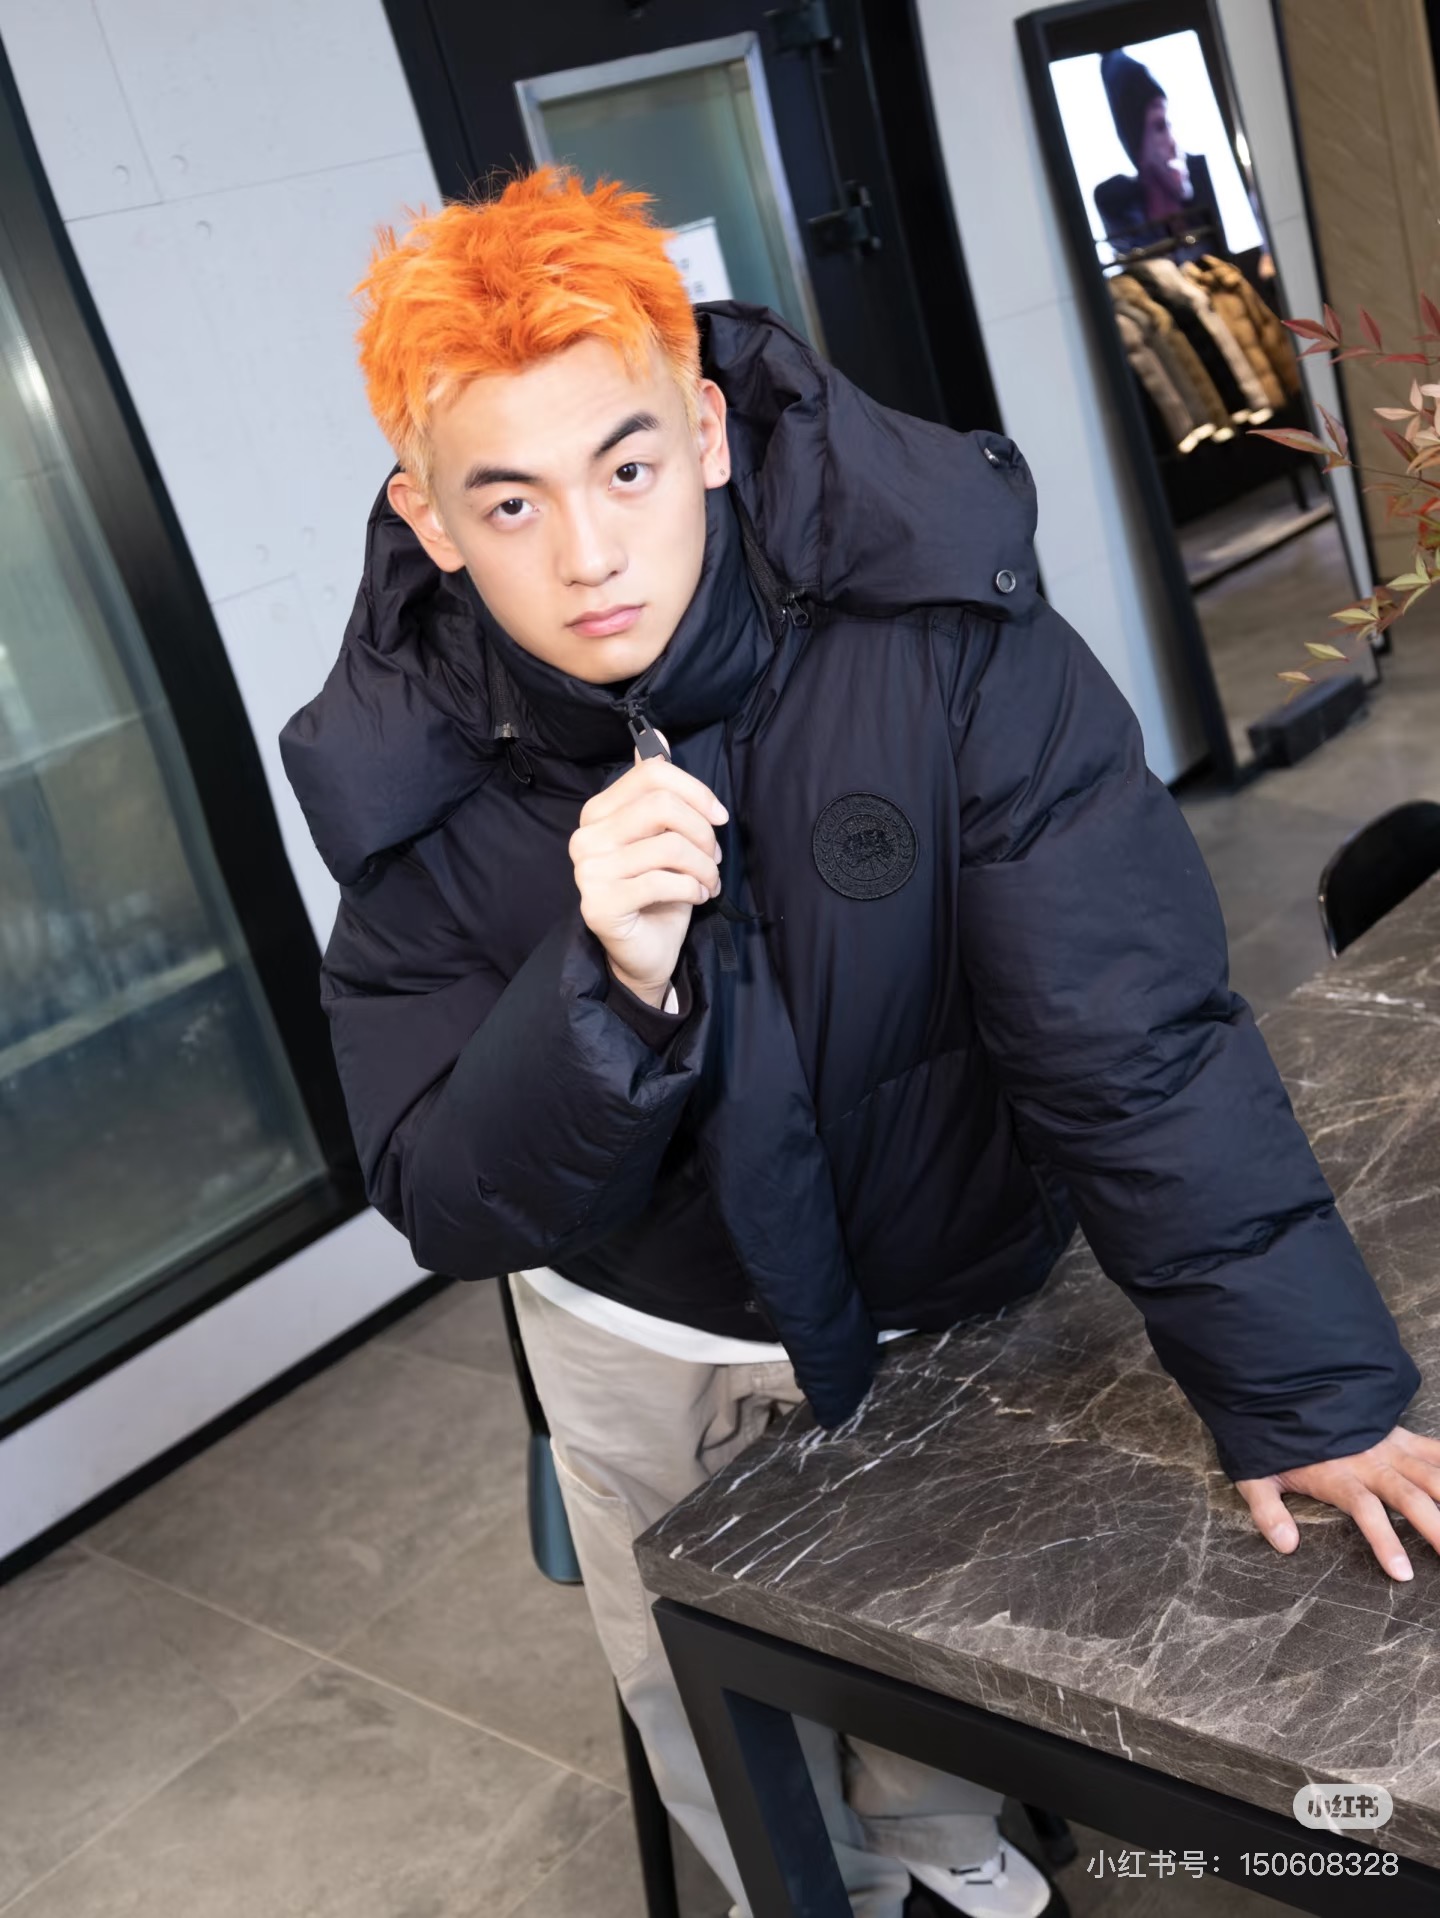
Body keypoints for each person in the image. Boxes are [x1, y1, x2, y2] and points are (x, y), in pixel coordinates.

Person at [281, 168, 1435, 1917]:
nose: (586, 555)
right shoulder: (412, 758)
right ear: (429, 520)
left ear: (707, 432)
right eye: (508, 500)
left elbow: (1128, 1030)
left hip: (935, 1276)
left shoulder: (941, 627)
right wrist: (603, 984)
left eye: (625, 467)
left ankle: (944, 1851)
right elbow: (446, 1192)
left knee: (948, 1645)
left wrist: (1303, 1390)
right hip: (639, 1323)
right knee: (689, 1677)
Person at [1094, 48, 1217, 261]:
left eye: (1169, 125)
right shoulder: (1119, 210)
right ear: (1138, 145)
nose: (1173, 144)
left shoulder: (1200, 187)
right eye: (1159, 127)